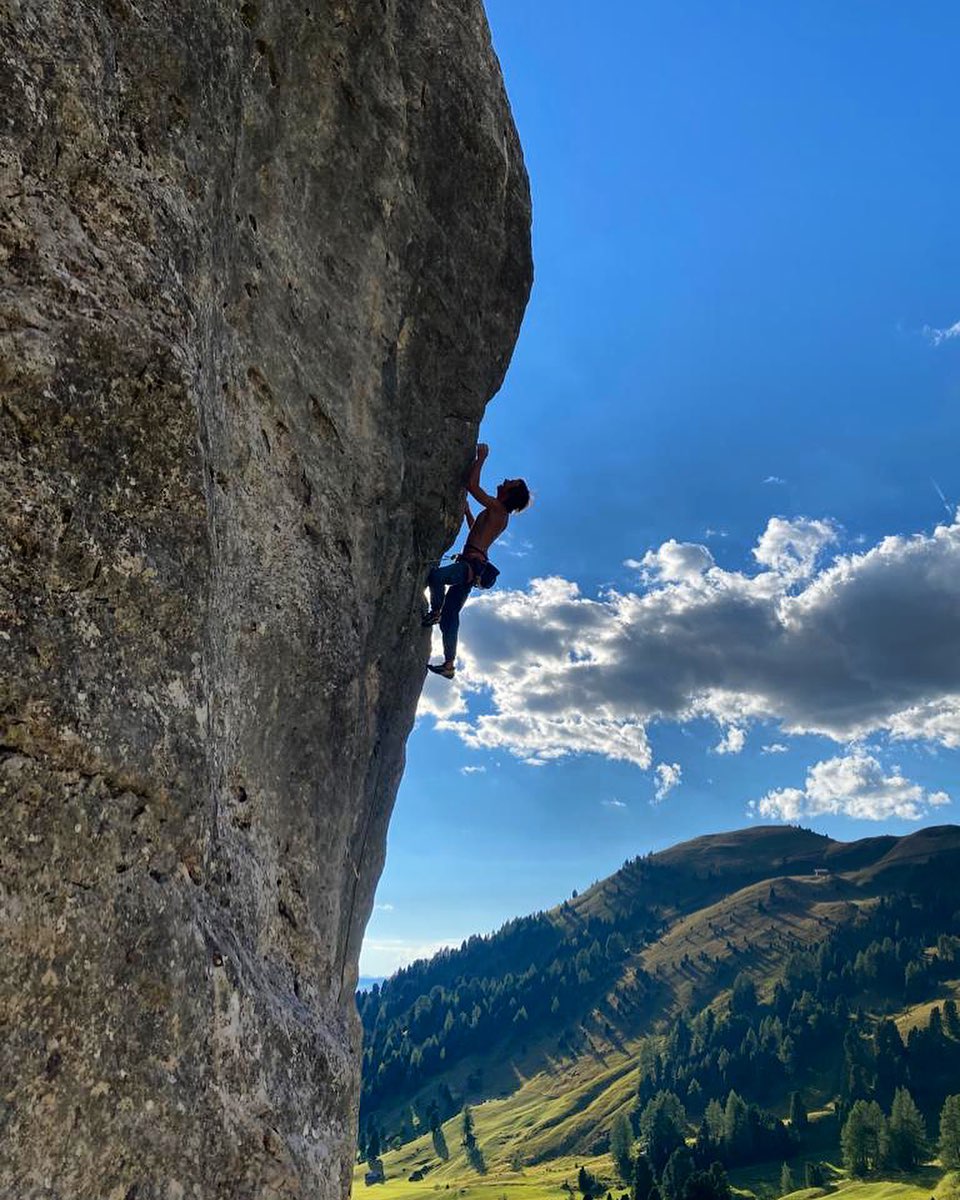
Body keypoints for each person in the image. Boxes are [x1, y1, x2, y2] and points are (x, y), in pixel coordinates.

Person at [423, 443, 529, 679]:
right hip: (474, 567)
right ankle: (449, 664)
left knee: (436, 576)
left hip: (469, 567)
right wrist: (469, 514)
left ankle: (435, 610)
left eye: (510, 482)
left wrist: (481, 458)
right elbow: (479, 534)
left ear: (510, 493)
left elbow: (471, 486)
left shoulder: (498, 508)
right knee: (452, 616)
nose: (506, 479)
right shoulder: (498, 514)